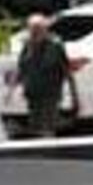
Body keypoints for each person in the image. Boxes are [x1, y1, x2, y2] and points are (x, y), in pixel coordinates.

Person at [14, 10, 74, 138]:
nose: (34, 34)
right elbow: (22, 66)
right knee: (34, 125)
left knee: (47, 126)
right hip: (33, 93)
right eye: (32, 30)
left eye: (37, 30)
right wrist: (14, 87)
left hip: (50, 94)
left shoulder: (55, 46)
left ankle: (49, 149)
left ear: (45, 30)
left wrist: (75, 98)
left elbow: (67, 70)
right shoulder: (28, 44)